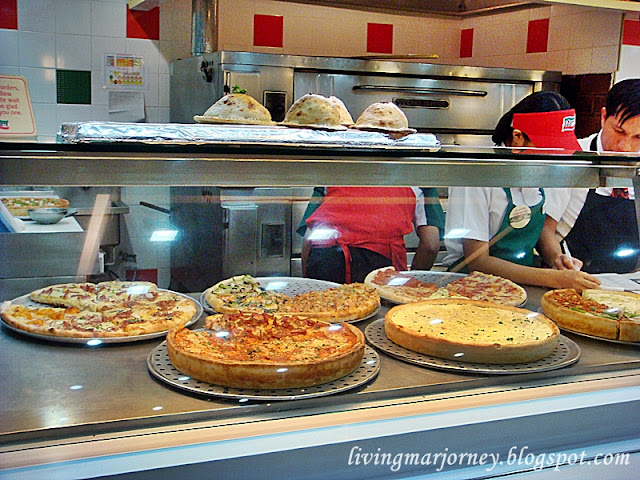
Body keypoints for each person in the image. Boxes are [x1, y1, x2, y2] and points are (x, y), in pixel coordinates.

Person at [442, 90, 601, 291]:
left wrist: (557, 258)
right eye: (548, 150)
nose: (553, 160)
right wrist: (553, 279)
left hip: (523, 287)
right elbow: (477, 261)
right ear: (517, 137)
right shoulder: (477, 175)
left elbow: (542, 231)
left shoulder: (535, 171)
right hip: (471, 288)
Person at [542, 78, 640, 273]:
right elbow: (545, 230)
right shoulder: (572, 157)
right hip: (572, 275)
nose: (625, 147)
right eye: (619, 131)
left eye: (638, 137)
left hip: (629, 281)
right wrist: (558, 260)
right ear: (603, 117)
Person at [298, 186, 444, 284]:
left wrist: (310, 284)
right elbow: (430, 244)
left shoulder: (334, 169)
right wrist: (410, 286)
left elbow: (309, 237)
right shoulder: (420, 173)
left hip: (324, 259)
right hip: (380, 265)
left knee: (320, 317)